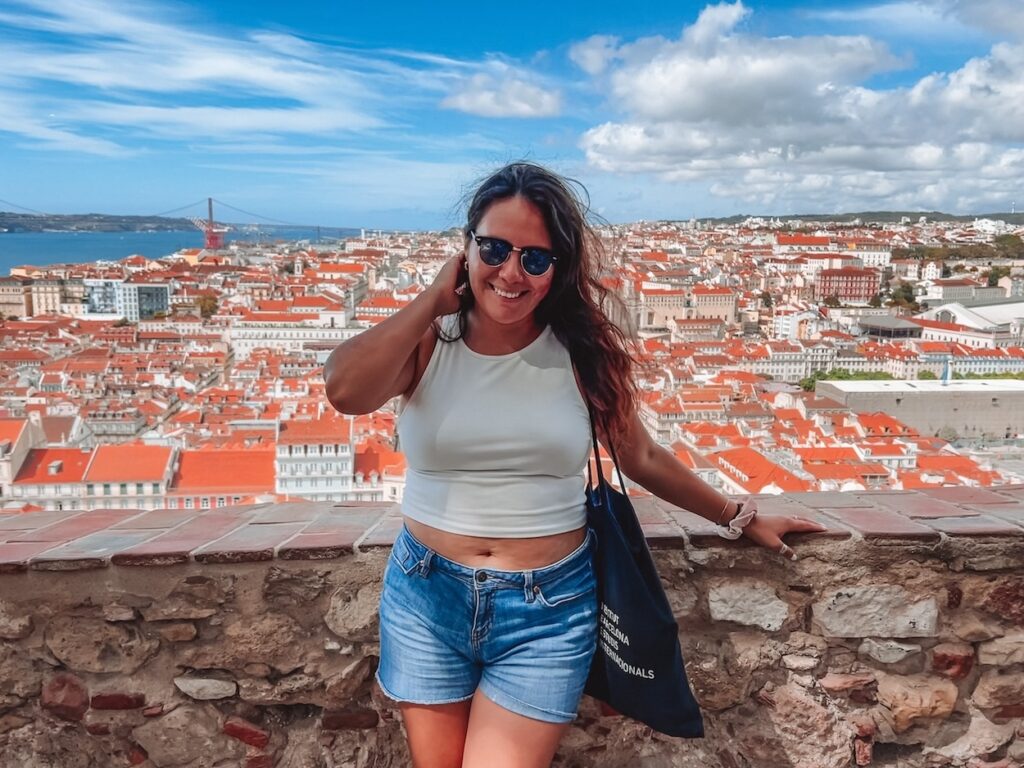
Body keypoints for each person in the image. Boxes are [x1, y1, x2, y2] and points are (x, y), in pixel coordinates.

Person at [323, 162, 825, 768]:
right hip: (426, 596)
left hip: (547, 607)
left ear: (557, 268)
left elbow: (639, 455)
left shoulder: (581, 355)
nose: (511, 272)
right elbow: (345, 390)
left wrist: (738, 517)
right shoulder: (431, 340)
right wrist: (432, 300)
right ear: (465, 250)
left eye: (535, 259)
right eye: (494, 249)